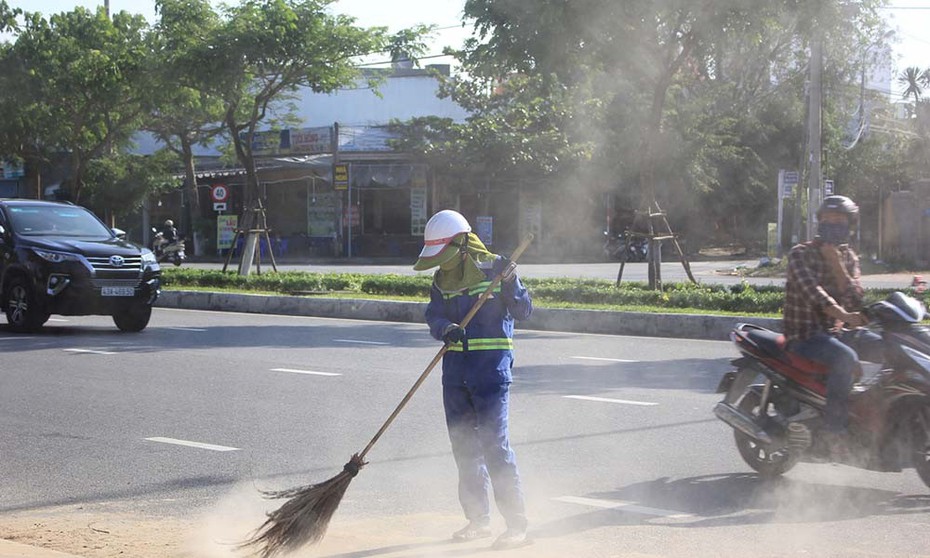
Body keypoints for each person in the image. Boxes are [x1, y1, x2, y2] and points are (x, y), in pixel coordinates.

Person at [413, 209, 533, 550]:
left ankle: (516, 525)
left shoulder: (497, 270)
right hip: (455, 375)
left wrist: (511, 282)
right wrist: (444, 329)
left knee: (495, 447)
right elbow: (433, 314)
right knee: (464, 449)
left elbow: (524, 311)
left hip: (490, 374)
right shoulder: (441, 279)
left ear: (463, 245)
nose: (442, 263)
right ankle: (477, 520)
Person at [783, 195, 883, 458]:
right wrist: (843, 314)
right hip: (804, 336)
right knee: (845, 358)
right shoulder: (800, 253)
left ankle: (875, 414)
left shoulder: (848, 257)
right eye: (827, 220)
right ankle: (833, 431)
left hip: (836, 333)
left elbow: (856, 298)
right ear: (819, 223)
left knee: (887, 347)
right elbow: (812, 293)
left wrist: (837, 264)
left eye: (839, 221)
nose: (833, 225)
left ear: (850, 225)